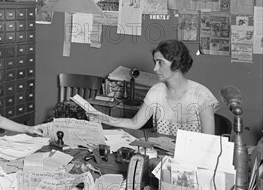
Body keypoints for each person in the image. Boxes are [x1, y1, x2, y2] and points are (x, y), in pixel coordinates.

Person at [87, 40, 218, 136]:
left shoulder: (201, 95)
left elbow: (208, 141)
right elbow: (135, 123)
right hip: (161, 155)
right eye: (155, 62)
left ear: (177, 65)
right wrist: (102, 118)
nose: (155, 68)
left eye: (160, 63)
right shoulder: (156, 91)